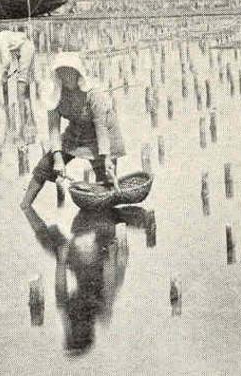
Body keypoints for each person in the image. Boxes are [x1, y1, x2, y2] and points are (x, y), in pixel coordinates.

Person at [23, 205, 151, 355]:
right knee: (102, 226)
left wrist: (62, 259)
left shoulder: (71, 314)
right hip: (103, 257)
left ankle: (26, 209)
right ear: (88, 331)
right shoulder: (101, 311)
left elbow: (60, 291)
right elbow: (111, 280)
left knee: (50, 240)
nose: (77, 328)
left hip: (85, 264)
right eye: (80, 332)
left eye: (73, 332)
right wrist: (111, 255)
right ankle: (128, 218)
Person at [18, 52, 125, 212]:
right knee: (45, 165)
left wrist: (107, 157)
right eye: (62, 73)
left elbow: (101, 127)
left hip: (103, 135)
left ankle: (107, 220)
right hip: (76, 131)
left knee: (105, 183)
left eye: (70, 72)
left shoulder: (93, 93)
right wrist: (58, 158)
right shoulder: (54, 94)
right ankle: (25, 206)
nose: (66, 76)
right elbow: (54, 129)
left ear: (78, 72)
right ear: (57, 74)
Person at [0, 28, 37, 142]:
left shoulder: (0, 38)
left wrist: (4, 74)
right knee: (26, 90)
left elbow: (6, 61)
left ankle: (23, 127)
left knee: (21, 87)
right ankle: (30, 122)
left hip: (25, 50)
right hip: (29, 47)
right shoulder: (5, 35)